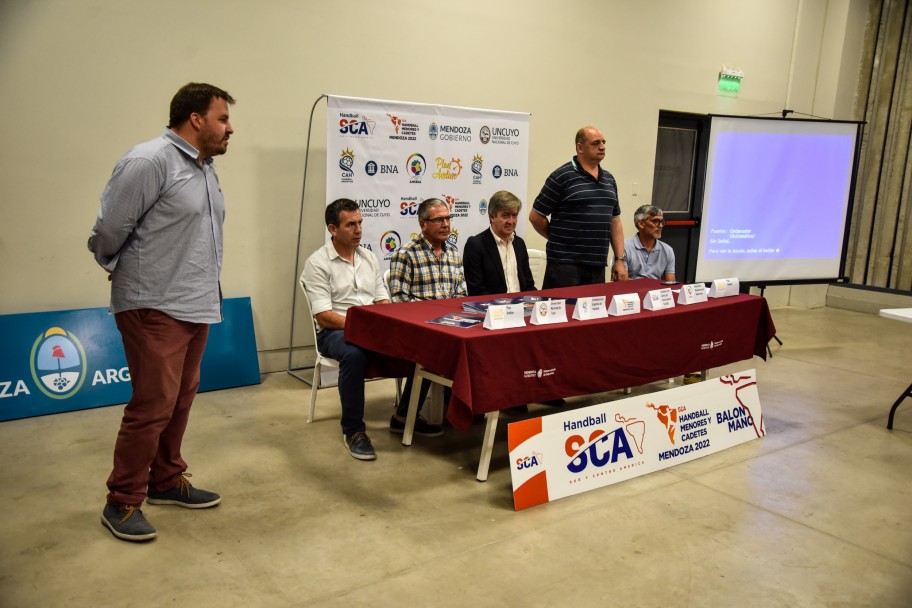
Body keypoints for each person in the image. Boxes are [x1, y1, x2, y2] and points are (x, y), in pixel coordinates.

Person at [88, 82, 235, 542]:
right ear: (195, 119)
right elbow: (109, 229)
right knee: (152, 405)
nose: (230, 128)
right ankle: (123, 500)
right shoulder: (150, 160)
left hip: (194, 303)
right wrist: (127, 272)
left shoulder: (205, 170)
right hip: (154, 304)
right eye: (223, 118)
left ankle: (166, 480)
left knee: (180, 398)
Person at [301, 199, 392, 461]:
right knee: (355, 355)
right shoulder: (318, 263)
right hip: (334, 332)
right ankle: (353, 431)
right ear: (333, 229)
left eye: (360, 223)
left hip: (370, 326)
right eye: (350, 224)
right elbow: (324, 316)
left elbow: (381, 299)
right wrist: (365, 325)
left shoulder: (369, 257)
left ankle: (404, 415)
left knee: (413, 343)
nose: (358, 229)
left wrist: (385, 322)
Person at [387, 198, 466, 433]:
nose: (445, 224)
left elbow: (462, 295)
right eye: (439, 219)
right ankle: (403, 418)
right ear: (423, 224)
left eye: (448, 218)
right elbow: (399, 301)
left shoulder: (453, 253)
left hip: (452, 325)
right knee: (434, 350)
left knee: (473, 345)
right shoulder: (406, 254)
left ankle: (458, 409)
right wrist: (433, 318)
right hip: (418, 328)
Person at [529, 125, 629, 287]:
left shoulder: (609, 180)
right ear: (580, 148)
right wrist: (558, 239)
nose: (602, 147)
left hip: (596, 264)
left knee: (593, 312)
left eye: (604, 142)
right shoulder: (562, 176)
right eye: (596, 143)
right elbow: (535, 216)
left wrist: (619, 259)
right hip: (564, 265)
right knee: (561, 311)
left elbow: (615, 221)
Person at [463, 190, 535, 296]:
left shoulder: (519, 243)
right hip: (493, 308)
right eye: (505, 216)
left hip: (522, 306)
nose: (511, 221)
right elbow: (476, 290)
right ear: (492, 217)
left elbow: (528, 284)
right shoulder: (476, 245)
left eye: (514, 215)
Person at [624, 204, 676, 281]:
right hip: (631, 291)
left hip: (656, 292)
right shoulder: (624, 247)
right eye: (656, 221)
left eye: (662, 222)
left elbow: (671, 283)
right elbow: (621, 284)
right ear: (641, 224)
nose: (661, 225)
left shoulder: (667, 250)